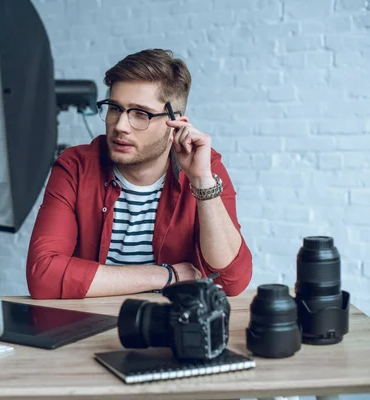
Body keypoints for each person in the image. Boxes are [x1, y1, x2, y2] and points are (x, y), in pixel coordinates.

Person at [26, 49, 252, 299]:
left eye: (140, 114)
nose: (121, 126)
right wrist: (167, 275)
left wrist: (201, 182)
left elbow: (230, 280)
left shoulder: (204, 167)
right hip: (89, 322)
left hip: (170, 326)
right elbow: (43, 275)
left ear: (176, 123)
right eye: (115, 108)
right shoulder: (75, 167)